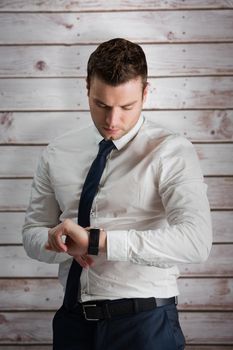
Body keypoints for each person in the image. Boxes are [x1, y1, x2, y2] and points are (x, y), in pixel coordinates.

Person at [22, 38, 212, 350]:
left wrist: (97, 242)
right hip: (72, 325)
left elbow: (196, 240)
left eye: (126, 107)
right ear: (87, 88)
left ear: (145, 93)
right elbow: (32, 234)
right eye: (101, 105)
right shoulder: (57, 153)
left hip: (145, 326)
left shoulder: (171, 151)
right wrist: (56, 240)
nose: (112, 121)